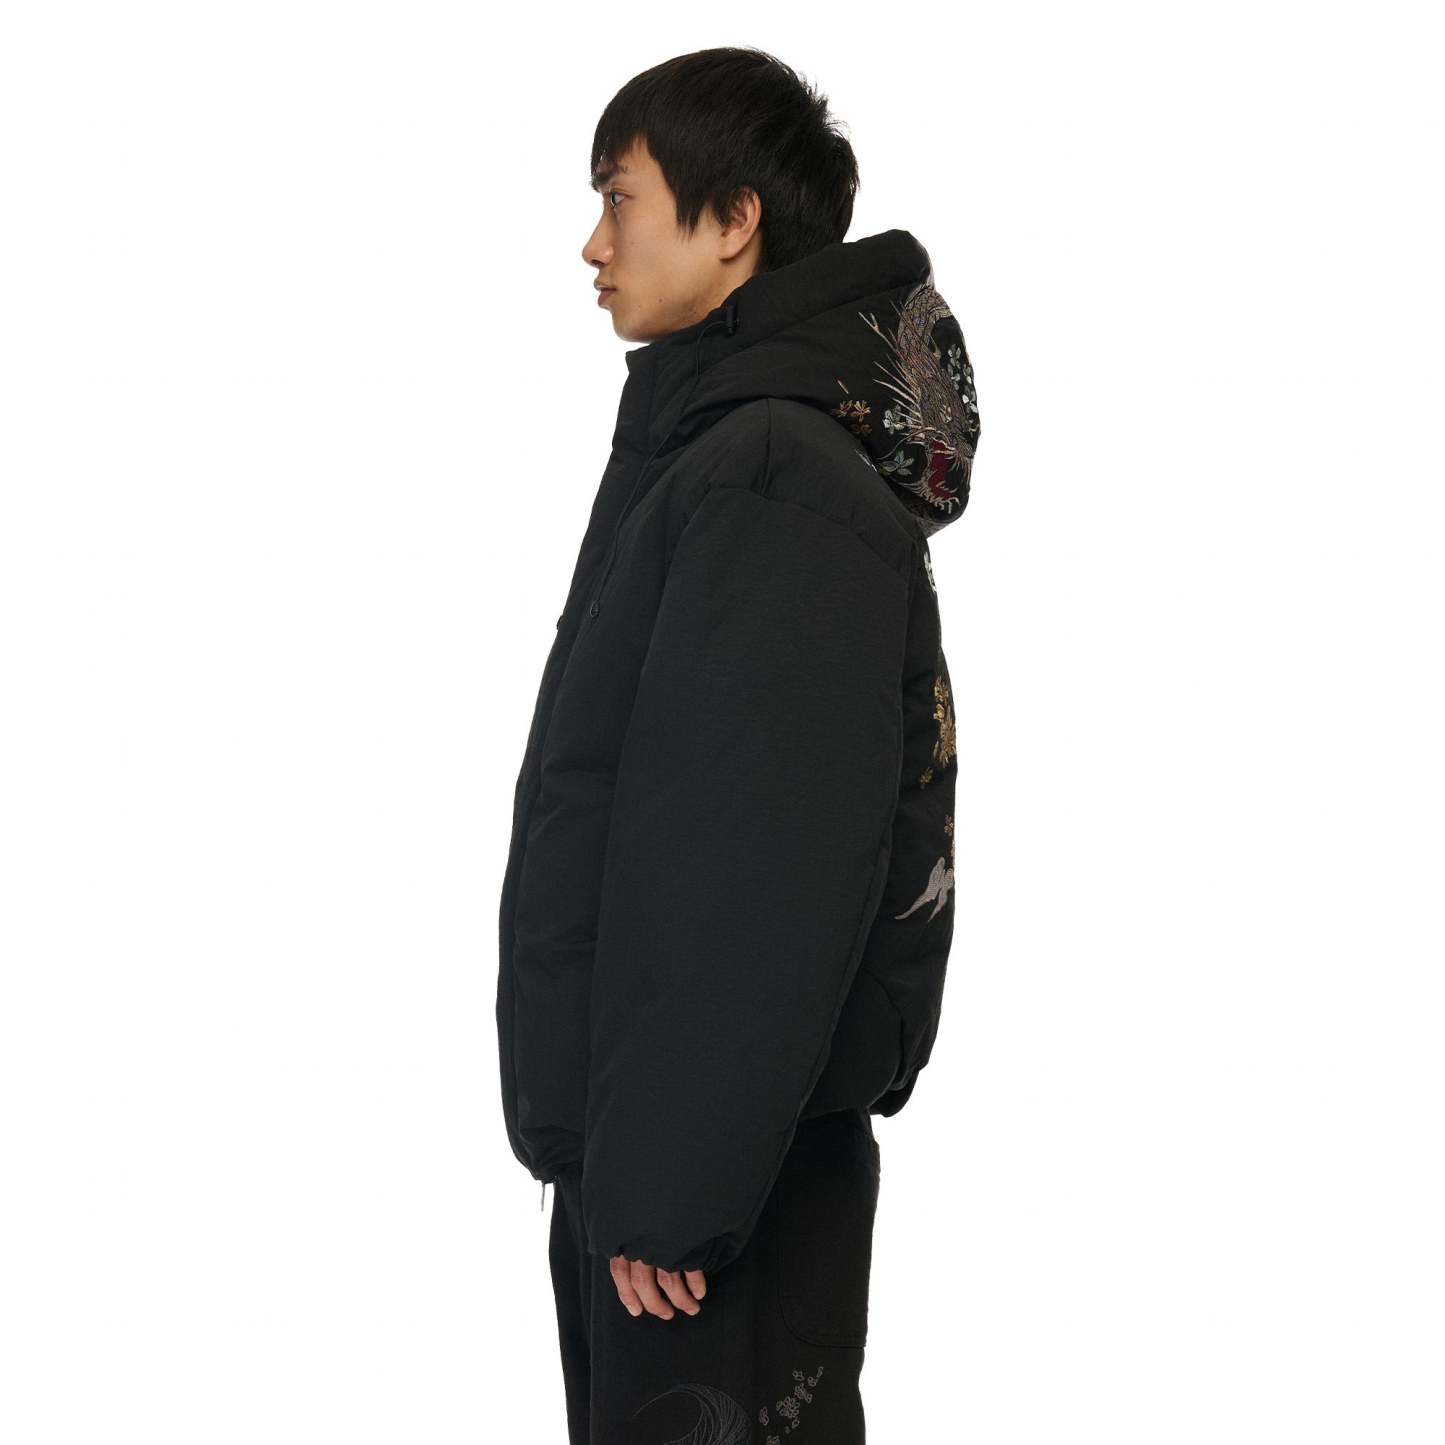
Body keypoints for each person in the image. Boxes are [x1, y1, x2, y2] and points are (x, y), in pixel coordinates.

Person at [496, 46, 980, 1443]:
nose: (593, 245)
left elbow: (756, 862)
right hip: (684, 1159)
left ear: (734, 221)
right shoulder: (725, 456)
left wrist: (672, 1183)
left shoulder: (772, 477)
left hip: (713, 1187)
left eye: (619, 198)